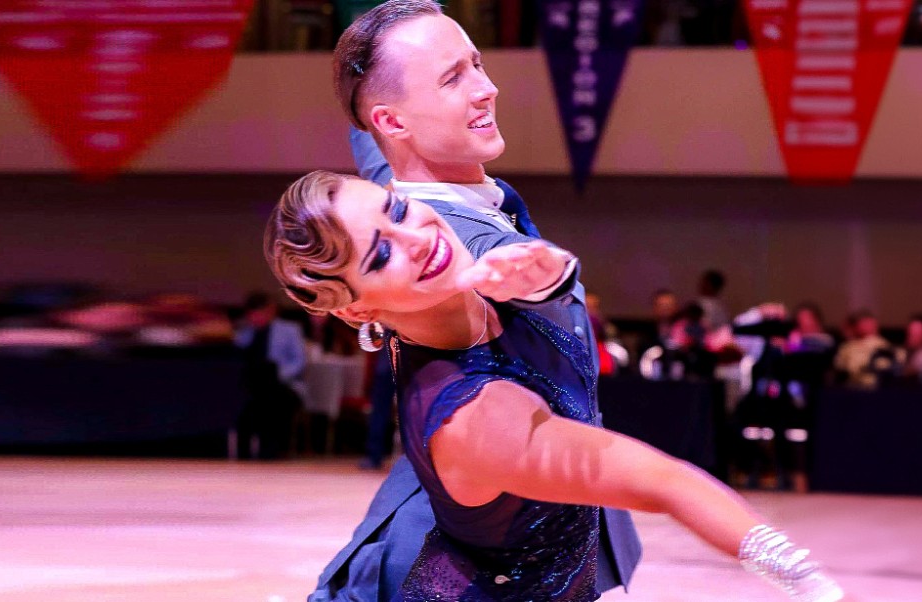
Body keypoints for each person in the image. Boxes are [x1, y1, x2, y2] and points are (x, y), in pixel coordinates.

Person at [268, 171, 846, 602]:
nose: (415, 234)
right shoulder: (475, 417)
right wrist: (810, 580)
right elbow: (662, 482)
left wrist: (551, 273)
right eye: (381, 253)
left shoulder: (467, 272)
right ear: (357, 310)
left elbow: (412, 141)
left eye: (396, 207)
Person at [318, 1, 640, 599]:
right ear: (392, 121)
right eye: (452, 78)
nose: (487, 89)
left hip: (512, 525)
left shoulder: (400, 185)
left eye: (477, 64)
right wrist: (545, 275)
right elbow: (522, 278)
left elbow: (371, 140)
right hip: (466, 567)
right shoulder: (448, 246)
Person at [234, 292, 307, 459]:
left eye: (261, 313)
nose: (257, 317)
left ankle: (272, 450)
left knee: (274, 399)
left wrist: (277, 376)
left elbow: (299, 361)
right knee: (244, 400)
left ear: (271, 311)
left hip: (283, 384)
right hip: (252, 386)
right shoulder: (244, 332)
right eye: (253, 314)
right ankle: (242, 452)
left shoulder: (289, 330)